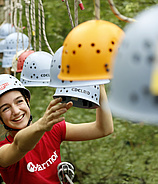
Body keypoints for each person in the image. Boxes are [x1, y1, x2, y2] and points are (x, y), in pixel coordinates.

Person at [0, 74, 113, 184]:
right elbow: (20, 145)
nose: (16, 111)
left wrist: (100, 84)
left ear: (27, 101)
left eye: (19, 101)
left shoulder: (51, 129)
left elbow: (103, 128)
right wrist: (41, 125)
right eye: (5, 108)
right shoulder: (3, 150)